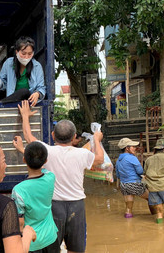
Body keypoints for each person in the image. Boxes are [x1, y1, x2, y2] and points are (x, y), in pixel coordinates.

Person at [18, 100, 104, 253]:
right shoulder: (82, 154)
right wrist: (96, 140)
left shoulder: (47, 151)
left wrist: (25, 116)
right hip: (76, 206)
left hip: (54, 207)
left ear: (53, 135)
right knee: (75, 249)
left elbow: (28, 136)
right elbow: (100, 159)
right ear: (74, 137)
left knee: (53, 248)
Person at [11, 139, 58, 253]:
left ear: (24, 160)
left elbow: (20, 223)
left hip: (32, 243)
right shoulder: (50, 177)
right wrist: (25, 151)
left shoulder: (18, 191)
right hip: (51, 238)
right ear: (46, 160)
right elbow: (42, 168)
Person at [0, 37, 46, 106]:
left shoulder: (37, 66)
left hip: (27, 102)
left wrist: (37, 93)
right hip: (11, 99)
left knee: (24, 91)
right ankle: (3, 104)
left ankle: (2, 105)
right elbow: (3, 84)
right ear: (17, 52)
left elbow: (41, 87)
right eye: (23, 54)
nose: (26, 57)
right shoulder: (9, 63)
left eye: (29, 54)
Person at [115, 138, 149, 218]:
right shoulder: (132, 158)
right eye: (133, 147)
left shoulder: (118, 160)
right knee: (152, 198)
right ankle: (155, 217)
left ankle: (128, 224)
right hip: (134, 183)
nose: (135, 148)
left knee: (128, 208)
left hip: (123, 185)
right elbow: (140, 171)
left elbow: (118, 175)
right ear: (127, 148)